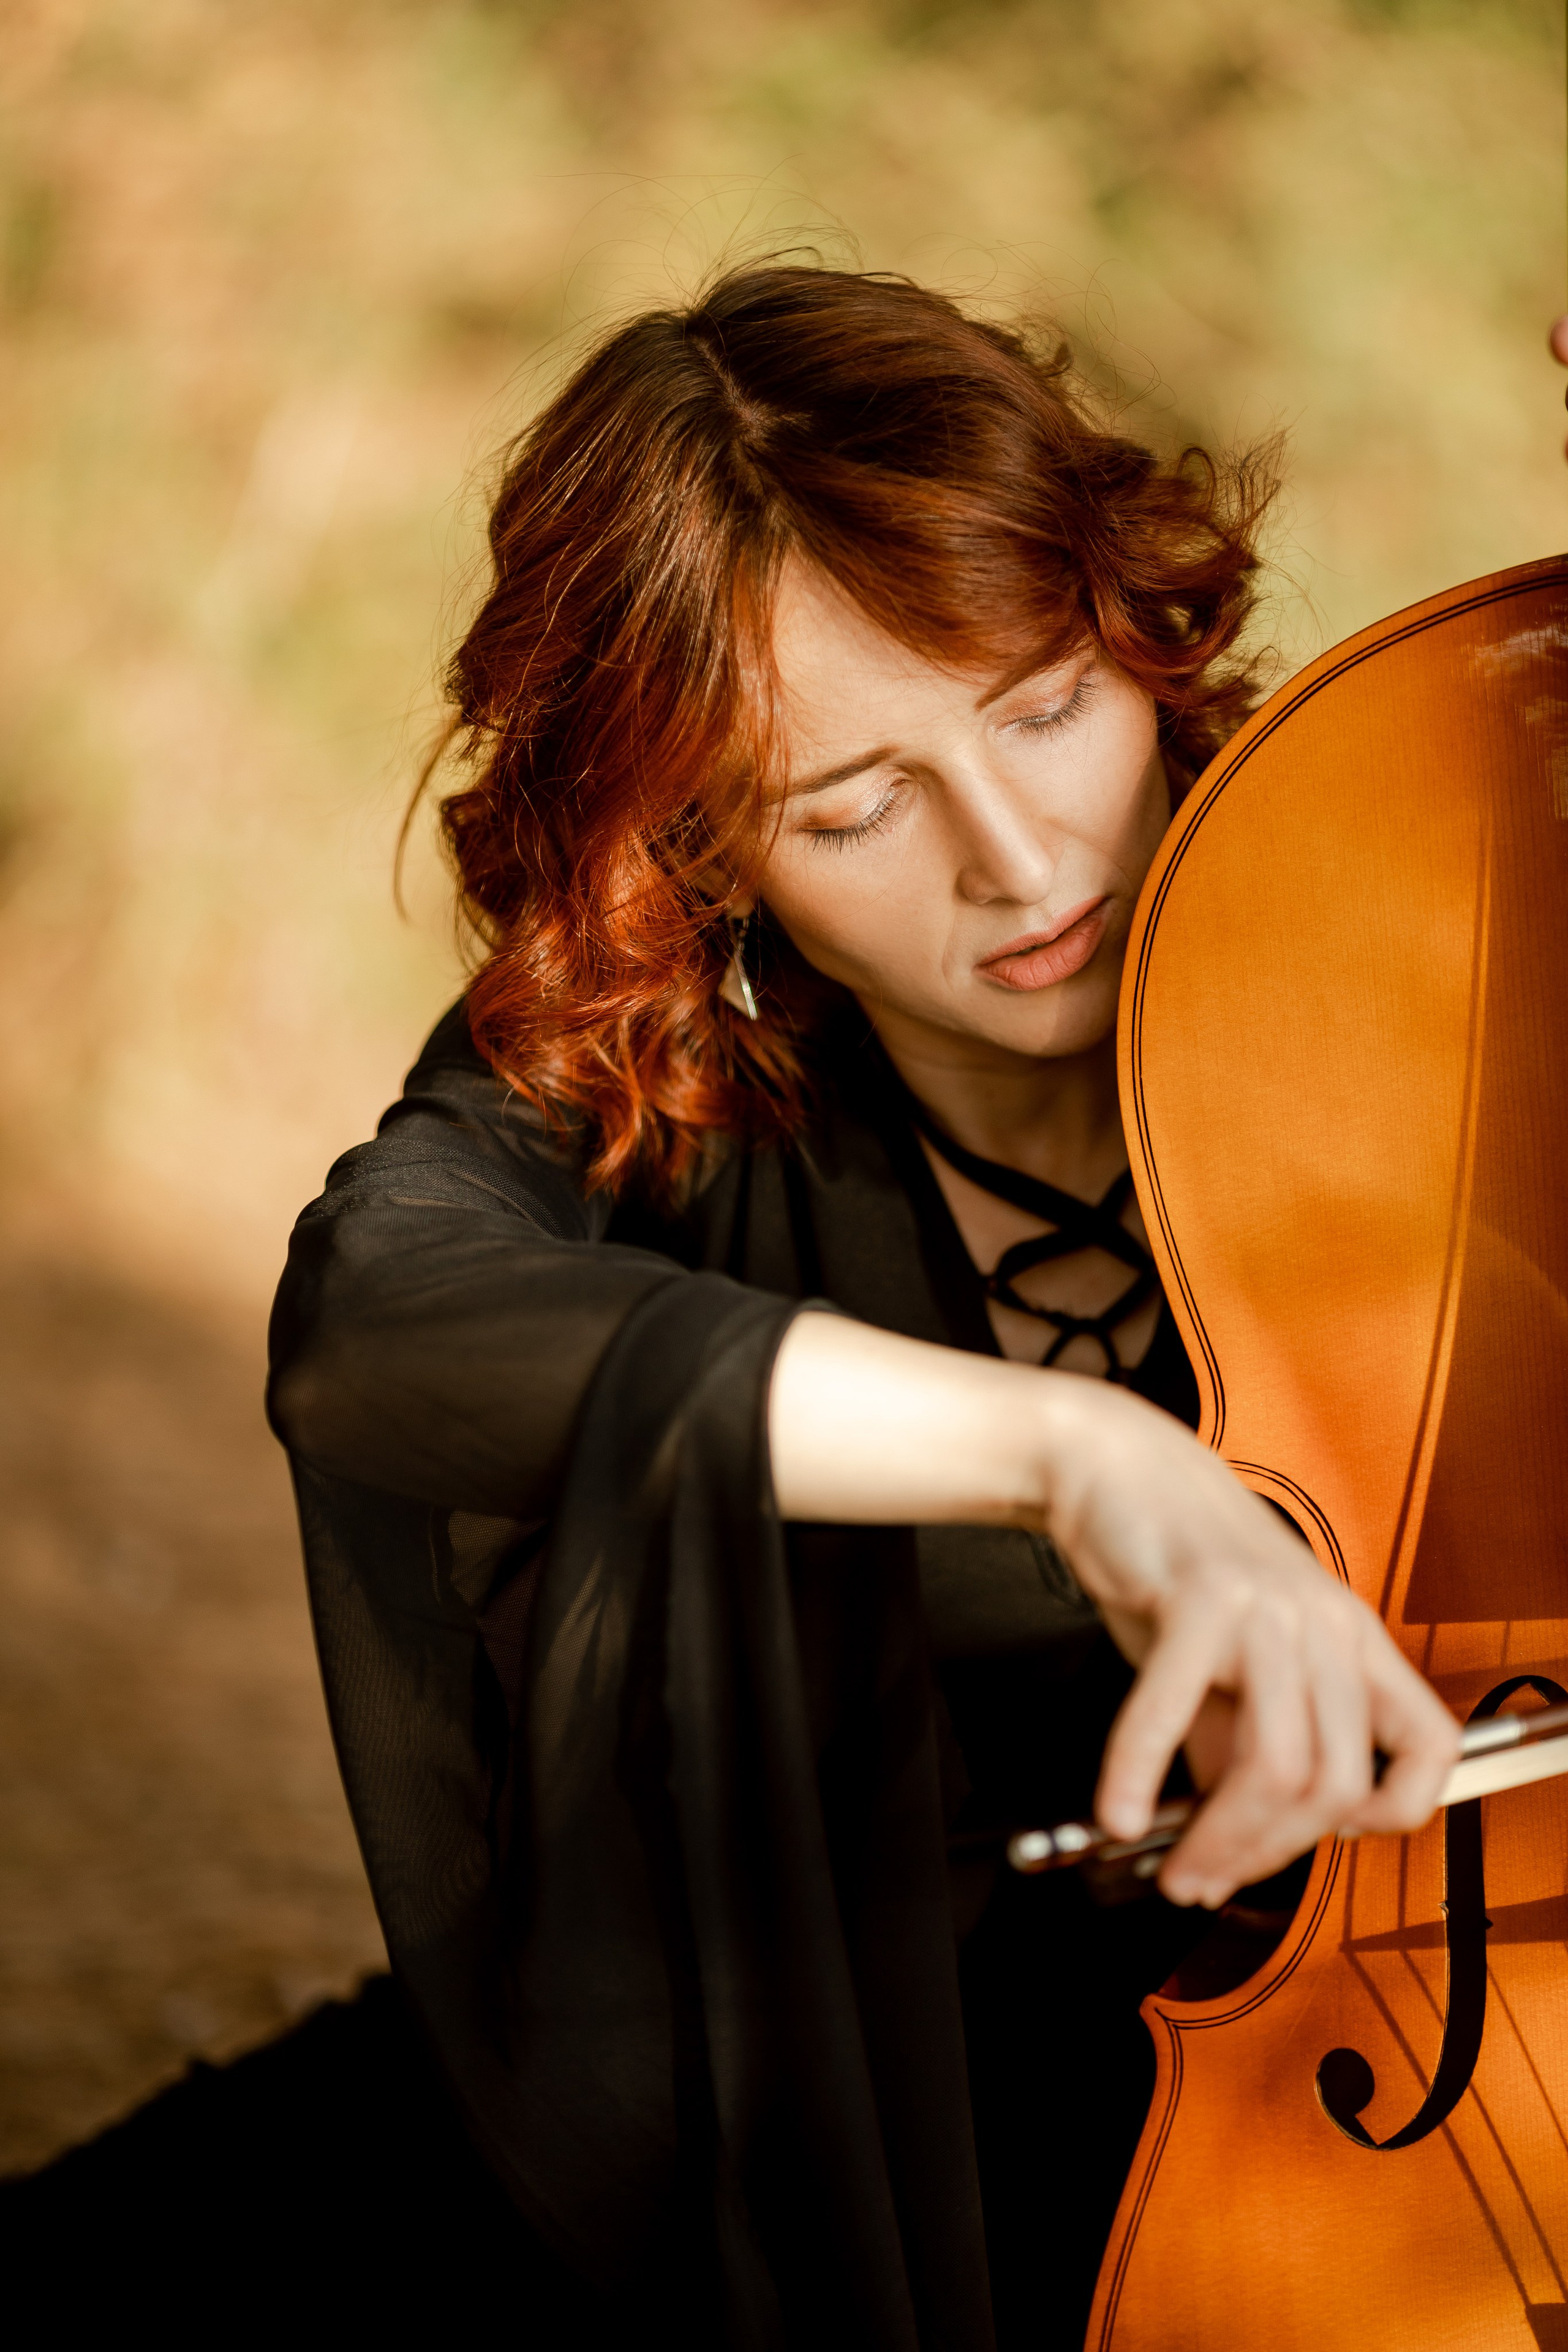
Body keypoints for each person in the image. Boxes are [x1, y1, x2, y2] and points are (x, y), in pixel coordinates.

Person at [266, 264, 1457, 2350]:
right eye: (854, 806)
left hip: (1418, 2116)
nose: (1018, 859)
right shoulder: (675, 1084)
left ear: (1138, 637)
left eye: (1045, 708)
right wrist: (1072, 1455)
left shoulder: (1443, 927)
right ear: (708, 852)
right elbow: (379, 1315)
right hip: (816, 2139)